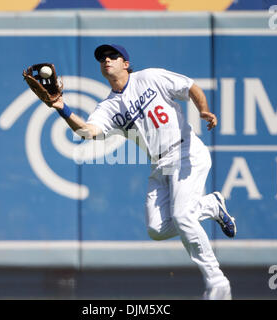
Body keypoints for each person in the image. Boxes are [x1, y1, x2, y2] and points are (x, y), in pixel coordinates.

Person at [46, 44, 237, 300]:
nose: (106, 60)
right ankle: (211, 206)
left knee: (182, 216)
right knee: (157, 229)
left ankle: (217, 282)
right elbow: (87, 131)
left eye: (113, 56)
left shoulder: (149, 77)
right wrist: (62, 107)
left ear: (126, 63)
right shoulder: (108, 106)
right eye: (102, 58)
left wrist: (202, 109)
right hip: (159, 163)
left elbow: (190, 86)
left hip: (186, 151)